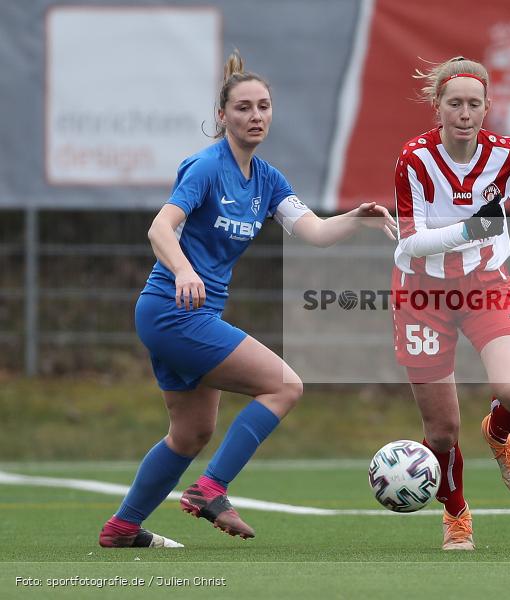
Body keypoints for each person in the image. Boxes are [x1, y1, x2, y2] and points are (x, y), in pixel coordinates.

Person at [98, 51, 396, 548]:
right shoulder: (205, 167)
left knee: (191, 433)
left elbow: (316, 233)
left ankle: (123, 527)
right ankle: (210, 490)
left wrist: (357, 217)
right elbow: (160, 228)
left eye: (263, 107)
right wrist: (185, 269)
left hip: (189, 315)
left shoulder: (268, 179)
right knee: (285, 386)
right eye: (243, 108)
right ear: (222, 116)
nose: (255, 116)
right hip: (172, 310)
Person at [391, 56, 510, 551]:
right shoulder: (414, 159)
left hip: (485, 284)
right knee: (440, 432)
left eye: (474, 104)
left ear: (487, 108)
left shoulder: (505, 153)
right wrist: (469, 229)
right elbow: (409, 243)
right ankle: (456, 515)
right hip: (421, 293)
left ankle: (499, 433)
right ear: (437, 108)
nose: (465, 112)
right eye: (454, 103)